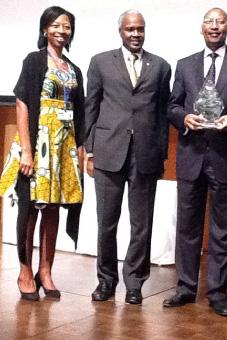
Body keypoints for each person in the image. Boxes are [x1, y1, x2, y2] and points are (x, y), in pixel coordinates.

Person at [162, 7, 227, 317]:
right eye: (209, 21)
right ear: (201, 28)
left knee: (224, 228)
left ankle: (218, 291)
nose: (215, 26)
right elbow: (172, 106)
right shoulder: (185, 65)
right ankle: (185, 287)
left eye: (220, 22)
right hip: (191, 155)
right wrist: (185, 118)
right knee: (188, 225)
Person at [84, 9, 171, 305]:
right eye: (130, 29)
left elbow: (162, 114)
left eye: (140, 29)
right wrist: (90, 149)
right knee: (106, 222)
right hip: (108, 152)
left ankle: (135, 284)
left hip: (145, 155)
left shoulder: (160, 66)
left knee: (141, 224)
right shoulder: (100, 62)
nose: (136, 34)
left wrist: (161, 153)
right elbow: (91, 107)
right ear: (120, 31)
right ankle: (106, 281)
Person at [0, 6, 85, 300]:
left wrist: (80, 151)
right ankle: (25, 271)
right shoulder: (34, 61)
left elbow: (81, 113)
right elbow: (22, 103)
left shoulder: (74, 68)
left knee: (52, 209)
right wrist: (26, 149)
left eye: (67, 27)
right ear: (45, 29)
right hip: (38, 144)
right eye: (57, 25)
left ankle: (45, 271)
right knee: (30, 208)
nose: (62, 31)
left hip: (64, 148)